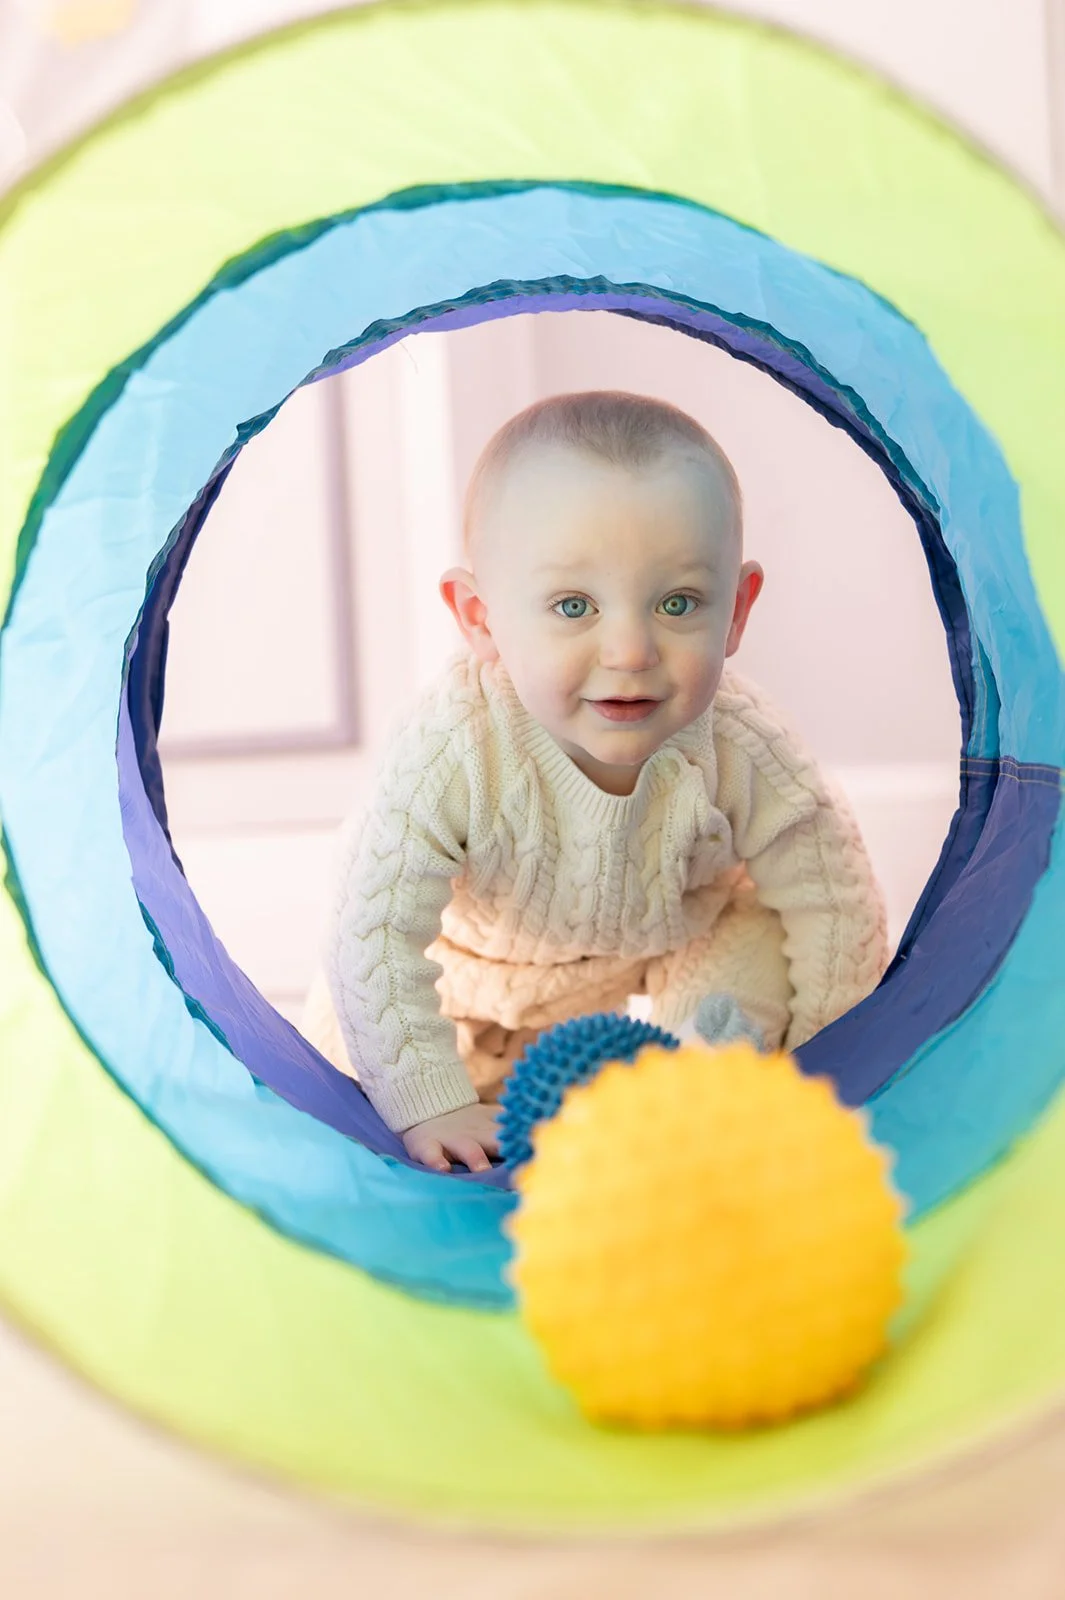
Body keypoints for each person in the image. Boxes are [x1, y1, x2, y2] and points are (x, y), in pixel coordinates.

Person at [301, 391, 888, 1174]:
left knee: (755, 936)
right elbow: (368, 927)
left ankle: (697, 1110)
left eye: (677, 603)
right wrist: (427, 1099)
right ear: (479, 617)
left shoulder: (743, 746)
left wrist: (835, 1066)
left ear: (737, 610)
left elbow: (832, 895)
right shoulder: (454, 748)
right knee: (350, 1058)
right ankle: (442, 1100)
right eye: (573, 606)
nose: (630, 649)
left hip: (665, 954)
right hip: (467, 973)